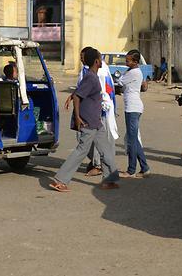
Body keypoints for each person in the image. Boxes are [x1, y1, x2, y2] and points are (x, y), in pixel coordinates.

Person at [50, 47, 120, 192]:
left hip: (96, 120)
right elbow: (78, 96)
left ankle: (109, 179)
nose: (101, 61)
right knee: (81, 150)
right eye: (100, 58)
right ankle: (60, 180)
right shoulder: (91, 77)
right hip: (88, 121)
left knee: (106, 149)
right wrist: (77, 117)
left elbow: (79, 92)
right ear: (96, 61)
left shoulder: (92, 75)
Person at [118, 49, 150, 178]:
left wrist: (124, 74)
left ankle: (131, 170)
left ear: (136, 62)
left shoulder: (134, 72)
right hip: (131, 107)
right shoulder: (132, 71)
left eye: (128, 61)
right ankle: (145, 167)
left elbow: (120, 81)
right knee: (134, 139)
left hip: (133, 108)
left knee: (131, 141)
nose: (126, 62)